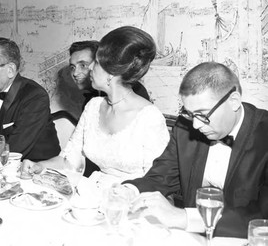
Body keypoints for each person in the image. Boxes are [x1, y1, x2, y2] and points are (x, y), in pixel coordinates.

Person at [119, 62, 268, 239]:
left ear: (234, 101)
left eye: (203, 114)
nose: (196, 125)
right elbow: (160, 177)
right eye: (189, 113)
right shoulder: (185, 127)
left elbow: (261, 216)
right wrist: (129, 190)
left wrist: (182, 217)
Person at [22, 26, 169, 188]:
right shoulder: (93, 107)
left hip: (132, 198)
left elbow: (158, 180)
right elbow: (69, 159)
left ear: (111, 73)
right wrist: (40, 166)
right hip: (93, 191)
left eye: (96, 63)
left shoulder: (149, 116)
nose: (90, 68)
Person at [68, 40, 151, 107]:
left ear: (101, 64)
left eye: (83, 65)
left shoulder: (135, 91)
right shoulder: (91, 102)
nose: (75, 73)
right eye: (72, 67)